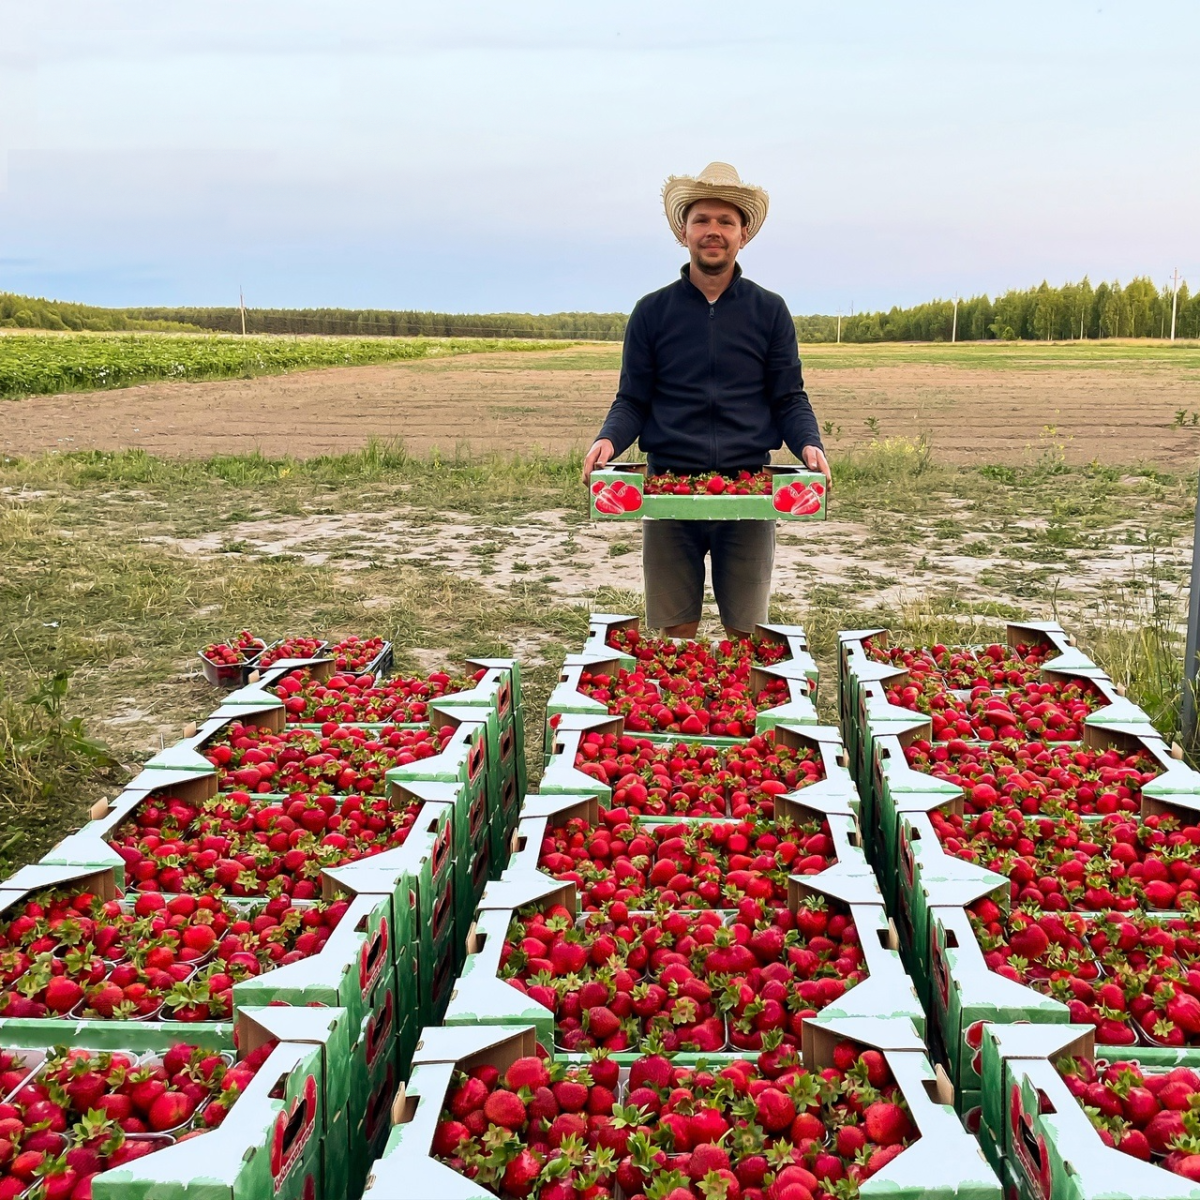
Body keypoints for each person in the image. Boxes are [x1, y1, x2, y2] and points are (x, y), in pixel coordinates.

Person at [582, 161, 831, 639]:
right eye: (702, 220)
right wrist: (608, 439)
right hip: (669, 488)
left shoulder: (769, 310)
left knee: (747, 632)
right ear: (683, 232)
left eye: (725, 222)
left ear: (744, 235)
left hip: (747, 489)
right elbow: (633, 398)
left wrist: (809, 443)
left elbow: (789, 396)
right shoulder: (652, 312)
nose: (712, 231)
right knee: (674, 633)